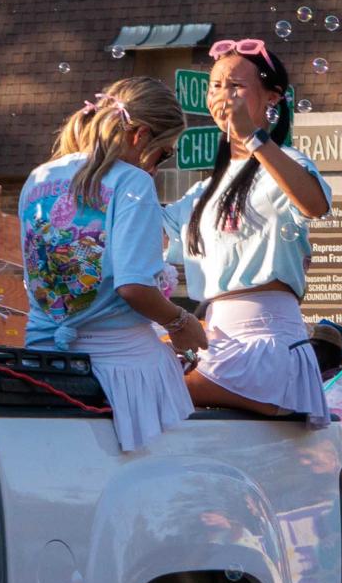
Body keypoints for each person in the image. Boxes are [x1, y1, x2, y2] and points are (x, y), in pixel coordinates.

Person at [19, 79, 206, 450]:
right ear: (140, 135)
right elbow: (134, 287)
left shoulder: (37, 178)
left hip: (41, 364)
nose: (157, 167)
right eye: (163, 154)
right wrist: (182, 324)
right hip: (122, 376)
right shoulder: (132, 182)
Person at [166, 39, 332, 418]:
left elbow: (314, 204)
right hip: (217, 342)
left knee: (151, 388)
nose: (223, 96)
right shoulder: (201, 193)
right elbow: (148, 236)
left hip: (266, 349)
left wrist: (253, 137)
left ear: (272, 98)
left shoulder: (285, 161)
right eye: (215, 86)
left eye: (236, 86)